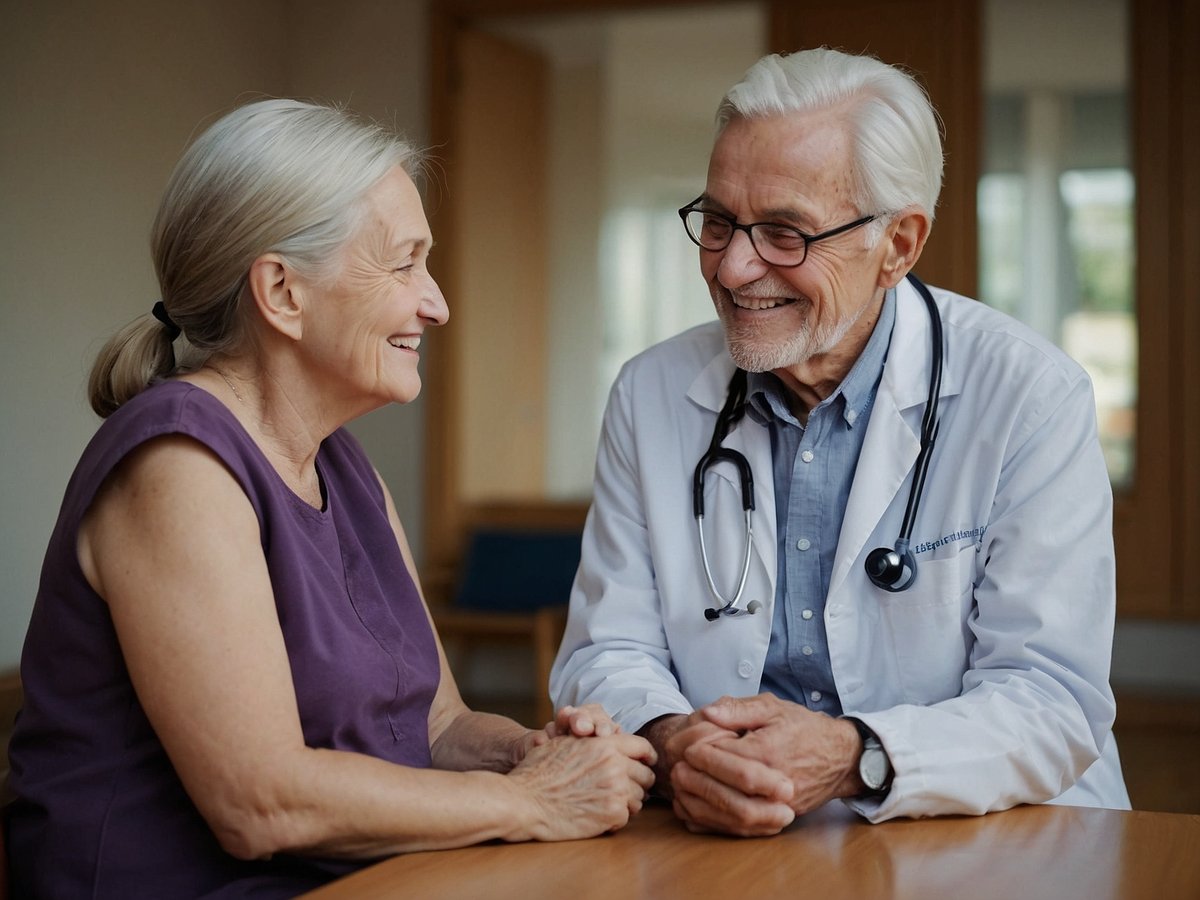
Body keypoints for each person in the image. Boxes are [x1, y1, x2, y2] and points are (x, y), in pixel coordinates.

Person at [4, 99, 655, 897]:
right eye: (404, 263)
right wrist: (530, 801)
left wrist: (533, 754)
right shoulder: (176, 466)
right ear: (282, 291)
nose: (437, 302)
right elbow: (260, 803)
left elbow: (438, 725)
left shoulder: (346, 470)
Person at [550, 48, 1129, 834]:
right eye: (717, 221)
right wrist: (676, 739)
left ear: (899, 245)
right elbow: (604, 651)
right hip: (727, 838)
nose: (733, 265)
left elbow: (1052, 700)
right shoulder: (650, 393)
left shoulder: (1029, 396)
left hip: (987, 836)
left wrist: (859, 754)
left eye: (785, 233)